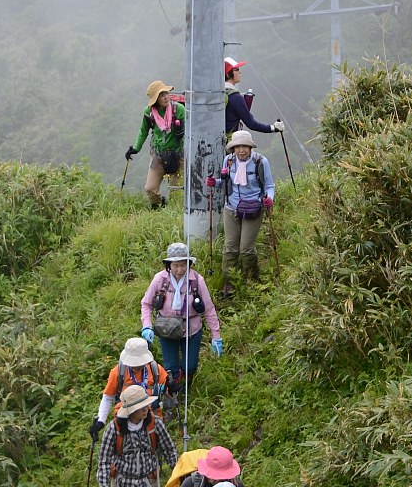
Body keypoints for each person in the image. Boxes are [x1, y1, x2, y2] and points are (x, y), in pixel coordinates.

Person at [141, 243, 222, 386]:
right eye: (175, 265)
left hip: (192, 329)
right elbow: (146, 304)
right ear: (169, 265)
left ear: (189, 264)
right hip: (166, 328)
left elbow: (209, 309)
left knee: (190, 366)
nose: (180, 270)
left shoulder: (197, 280)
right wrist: (146, 326)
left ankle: (187, 386)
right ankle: (173, 389)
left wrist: (216, 336)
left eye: (183, 265)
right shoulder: (160, 279)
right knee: (170, 367)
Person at [217, 129, 276, 296]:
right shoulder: (228, 161)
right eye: (238, 146)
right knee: (230, 248)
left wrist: (269, 198)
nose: (241, 150)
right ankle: (230, 283)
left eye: (245, 146)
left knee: (246, 249)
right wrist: (214, 182)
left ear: (250, 147)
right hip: (231, 208)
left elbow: (269, 186)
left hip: (253, 209)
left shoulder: (260, 162)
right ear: (233, 148)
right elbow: (225, 182)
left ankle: (252, 279)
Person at [91, 337, 172, 441]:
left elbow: (167, 392)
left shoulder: (155, 369)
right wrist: (101, 420)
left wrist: (171, 389)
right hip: (125, 421)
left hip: (152, 421)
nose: (135, 367)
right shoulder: (118, 372)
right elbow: (107, 398)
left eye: (138, 364)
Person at [126, 80, 186, 209]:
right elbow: (143, 131)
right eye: (161, 95)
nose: (165, 97)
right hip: (158, 155)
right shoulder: (149, 112)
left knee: (176, 190)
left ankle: (173, 215)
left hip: (178, 153)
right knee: (150, 188)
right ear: (155, 99)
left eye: (166, 93)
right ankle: (159, 207)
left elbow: (190, 132)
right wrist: (136, 148)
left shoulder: (179, 109)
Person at [223, 58, 285, 138]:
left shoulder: (219, 94)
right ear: (228, 74)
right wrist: (274, 128)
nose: (240, 72)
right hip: (231, 145)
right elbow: (251, 124)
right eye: (236, 69)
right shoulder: (236, 97)